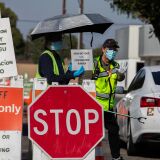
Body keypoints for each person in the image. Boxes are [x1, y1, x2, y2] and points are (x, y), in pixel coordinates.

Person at [92, 39, 127, 160]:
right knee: (92, 133)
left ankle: (116, 158)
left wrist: (122, 74)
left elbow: (119, 78)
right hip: (94, 105)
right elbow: (86, 81)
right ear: (103, 49)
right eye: (110, 49)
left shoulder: (115, 65)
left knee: (114, 130)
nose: (112, 51)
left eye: (114, 49)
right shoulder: (94, 64)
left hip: (108, 107)